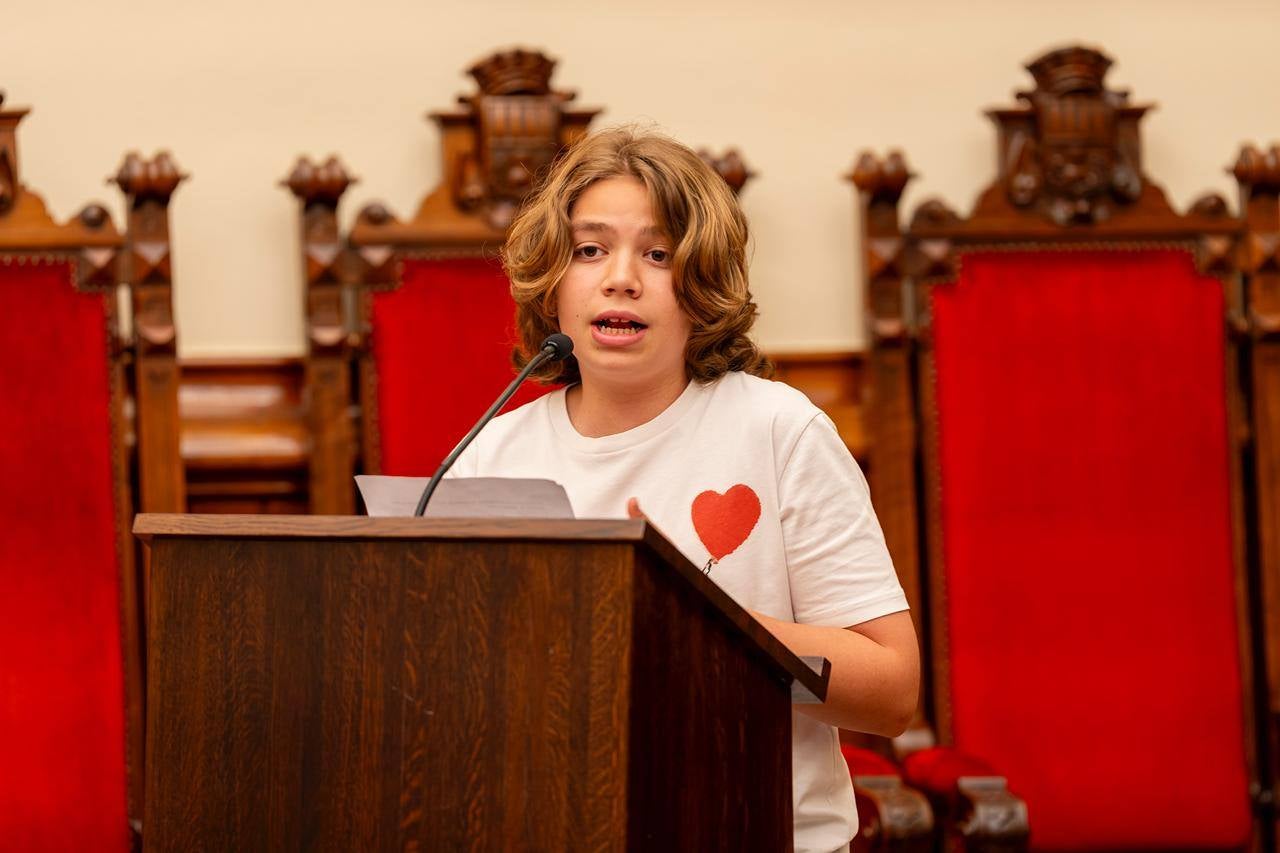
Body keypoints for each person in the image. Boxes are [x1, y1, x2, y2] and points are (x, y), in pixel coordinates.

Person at [450, 127, 920, 852]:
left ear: (702, 288)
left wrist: (696, 626)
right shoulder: (493, 454)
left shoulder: (777, 429)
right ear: (552, 282)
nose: (621, 278)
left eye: (659, 254)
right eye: (590, 249)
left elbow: (892, 691)